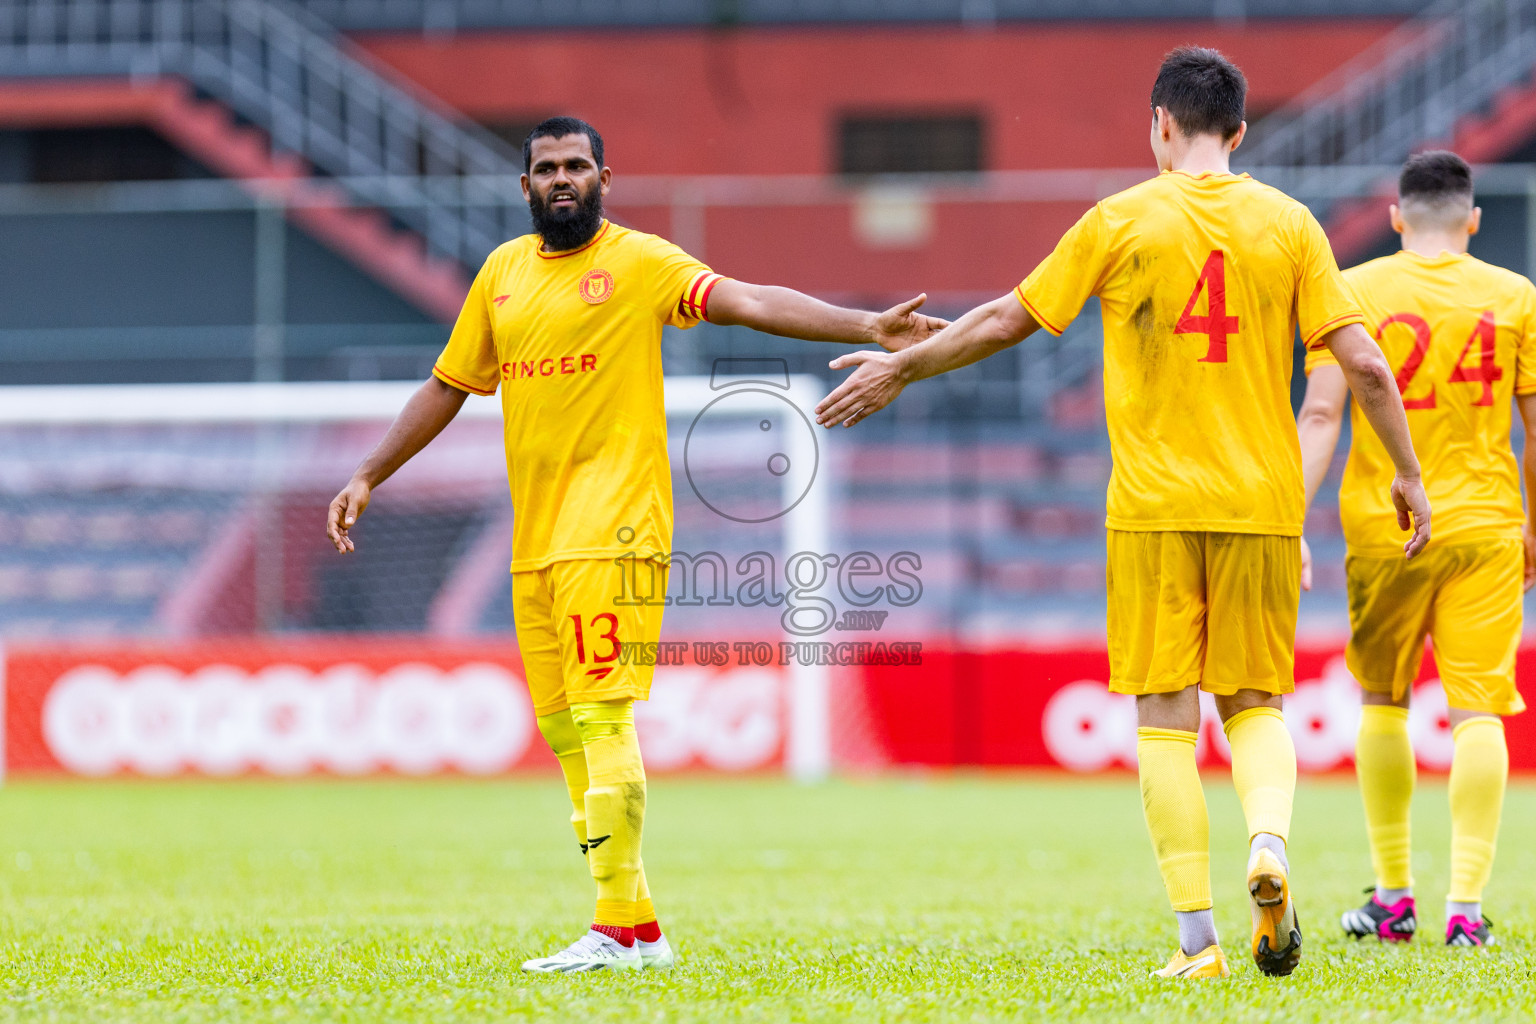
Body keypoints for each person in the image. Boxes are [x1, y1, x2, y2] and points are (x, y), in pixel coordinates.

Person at [812, 47, 1431, 979]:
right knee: (1257, 703)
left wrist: (901, 363)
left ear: (1158, 125)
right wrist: (1408, 475)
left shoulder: (1120, 220)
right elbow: (1370, 367)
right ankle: (1270, 843)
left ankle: (1197, 942)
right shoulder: (1292, 225)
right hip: (1263, 504)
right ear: (1241, 132)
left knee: (1164, 721)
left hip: (1150, 509)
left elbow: (1008, 320)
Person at [324, 115, 947, 974]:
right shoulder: (501, 274)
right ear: (526, 187)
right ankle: (636, 926)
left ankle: (616, 929)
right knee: (565, 734)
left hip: (614, 530)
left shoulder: (642, 261)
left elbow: (752, 300)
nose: (563, 179)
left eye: (578, 165)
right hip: (535, 542)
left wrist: (865, 327)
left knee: (602, 719)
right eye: (548, 169)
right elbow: (447, 384)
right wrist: (369, 473)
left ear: (605, 180)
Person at [1296, 151, 1533, 949]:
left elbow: (1322, 417)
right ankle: (1465, 910)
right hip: (1488, 528)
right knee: (1477, 715)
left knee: (1384, 703)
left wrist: (1294, 515)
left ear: (1396, 217)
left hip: (1384, 527)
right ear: (1472, 219)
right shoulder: (1515, 297)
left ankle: (1394, 898)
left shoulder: (1354, 289)